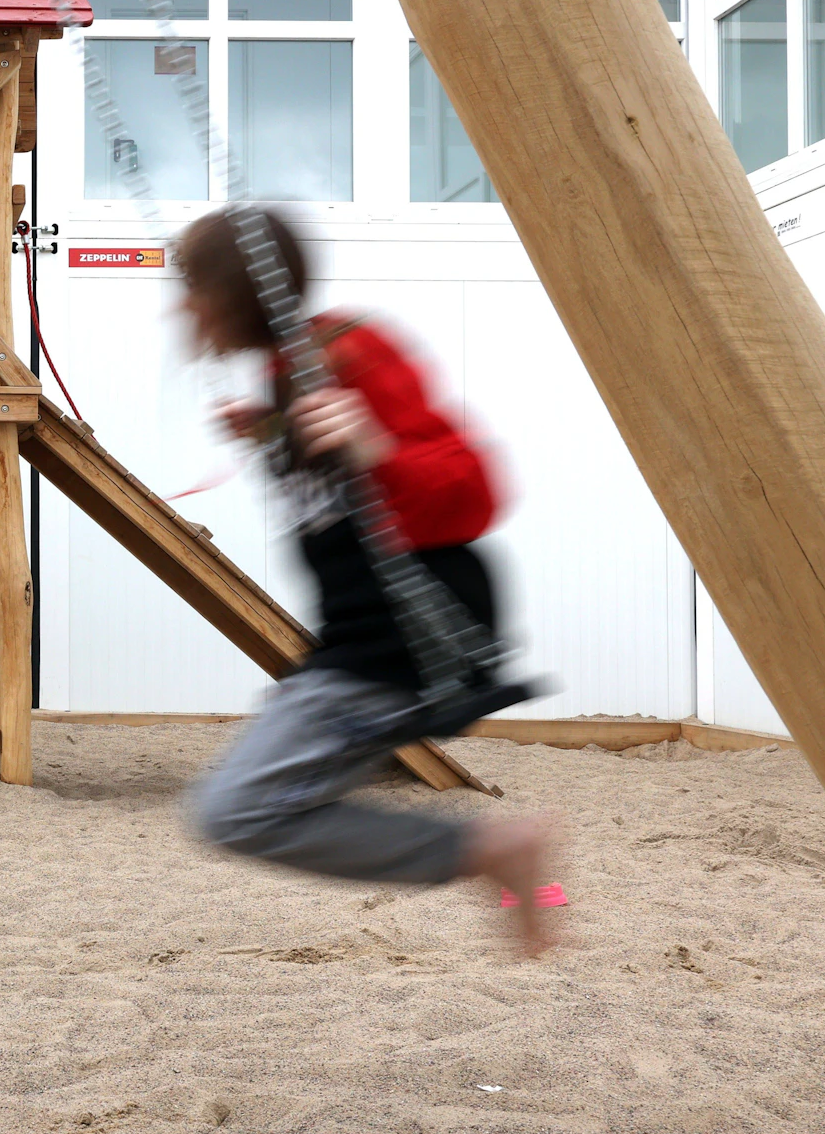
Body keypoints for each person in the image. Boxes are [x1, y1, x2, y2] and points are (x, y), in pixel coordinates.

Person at [176, 207, 555, 955]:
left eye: (190, 288)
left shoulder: (352, 352)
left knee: (236, 810)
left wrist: (374, 442)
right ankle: (498, 857)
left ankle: (495, 853)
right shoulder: (290, 375)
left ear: (231, 293)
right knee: (250, 805)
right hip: (361, 636)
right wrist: (271, 428)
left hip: (414, 635)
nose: (182, 309)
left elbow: (475, 486)